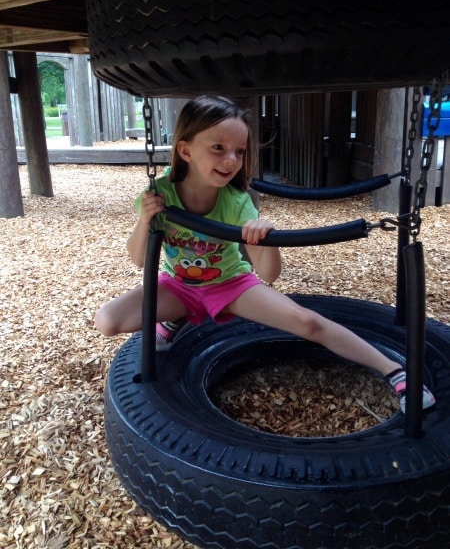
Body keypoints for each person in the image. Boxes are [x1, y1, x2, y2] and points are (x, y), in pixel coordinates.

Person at [95, 94, 435, 414]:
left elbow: (268, 275)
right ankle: (175, 316)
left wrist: (263, 239)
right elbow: (140, 259)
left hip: (229, 284)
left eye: (239, 151)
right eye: (218, 148)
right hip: (179, 285)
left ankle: (395, 372)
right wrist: (145, 221)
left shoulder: (235, 201)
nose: (231, 160)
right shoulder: (159, 193)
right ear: (185, 151)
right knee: (108, 321)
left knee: (307, 321)